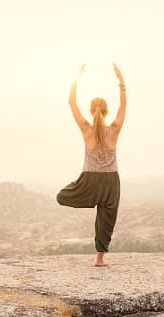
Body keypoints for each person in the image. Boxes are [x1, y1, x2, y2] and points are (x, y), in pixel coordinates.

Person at [57, 63, 126, 267]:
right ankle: (99, 259)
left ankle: (89, 199)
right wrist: (122, 83)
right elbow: (124, 107)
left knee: (62, 196)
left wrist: (76, 78)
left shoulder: (86, 129)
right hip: (110, 180)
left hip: (89, 180)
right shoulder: (114, 129)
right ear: (106, 111)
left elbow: (71, 103)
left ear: (91, 110)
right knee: (106, 219)